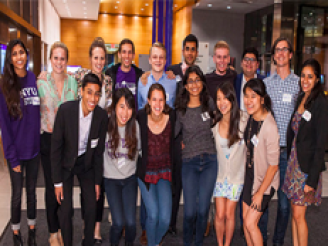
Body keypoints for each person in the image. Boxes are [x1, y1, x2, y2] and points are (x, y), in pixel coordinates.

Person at [51, 73, 108, 246]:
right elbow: (55, 149)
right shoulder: (65, 111)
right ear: (81, 91)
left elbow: (99, 152)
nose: (93, 98)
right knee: (66, 210)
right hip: (66, 163)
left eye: (97, 93)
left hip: (87, 163)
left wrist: (97, 181)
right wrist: (57, 183)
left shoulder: (101, 116)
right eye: (89, 92)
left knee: (91, 206)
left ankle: (88, 241)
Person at [282, 58, 328, 246]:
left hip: (307, 169)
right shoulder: (301, 97)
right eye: (303, 76)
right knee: (295, 213)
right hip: (294, 163)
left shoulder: (321, 103)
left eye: (310, 77)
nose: (305, 80)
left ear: (317, 79)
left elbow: (320, 143)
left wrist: (312, 179)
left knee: (300, 216)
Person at [37, 41, 78, 246]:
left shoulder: (74, 83)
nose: (59, 62)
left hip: (68, 143)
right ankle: (53, 232)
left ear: (67, 61)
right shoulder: (41, 83)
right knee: (52, 187)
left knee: (66, 188)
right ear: (50, 60)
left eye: (63, 58)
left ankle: (63, 228)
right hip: (48, 141)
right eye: (56, 58)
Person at [0, 39, 40, 246]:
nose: (19, 57)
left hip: (34, 151)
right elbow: (4, 128)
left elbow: (36, 116)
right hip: (16, 152)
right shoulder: (5, 86)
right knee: (17, 195)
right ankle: (16, 233)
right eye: (14, 54)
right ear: (10, 58)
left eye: (21, 53)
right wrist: (11, 156)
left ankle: (32, 230)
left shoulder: (33, 78)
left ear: (27, 55)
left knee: (32, 193)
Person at [175, 65, 217, 246]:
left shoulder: (210, 103)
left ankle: (198, 242)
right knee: (190, 211)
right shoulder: (180, 109)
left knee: (203, 210)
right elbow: (173, 135)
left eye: (197, 80)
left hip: (210, 161)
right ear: (185, 85)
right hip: (189, 162)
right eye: (190, 81)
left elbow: (220, 126)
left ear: (202, 82)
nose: (194, 84)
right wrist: (179, 144)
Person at [263, 37, 299, 246]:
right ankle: (263, 241)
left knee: (285, 206)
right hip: (269, 152)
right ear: (274, 56)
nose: (281, 53)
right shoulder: (266, 84)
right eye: (277, 50)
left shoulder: (298, 84)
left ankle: (277, 242)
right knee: (265, 200)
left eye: (284, 50)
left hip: (288, 153)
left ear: (290, 54)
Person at [234, 47, 268, 241]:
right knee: (244, 183)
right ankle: (245, 226)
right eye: (245, 59)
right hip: (239, 140)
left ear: (257, 64)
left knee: (259, 185)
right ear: (241, 63)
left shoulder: (264, 83)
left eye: (252, 60)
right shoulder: (235, 79)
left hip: (258, 140)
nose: (248, 63)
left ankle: (259, 228)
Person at [166, 34, 199, 235]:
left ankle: (193, 223)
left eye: (193, 49)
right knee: (175, 183)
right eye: (187, 48)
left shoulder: (199, 75)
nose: (190, 52)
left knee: (192, 183)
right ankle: (171, 223)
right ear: (182, 50)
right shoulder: (172, 71)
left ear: (196, 52)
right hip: (176, 137)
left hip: (194, 138)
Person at [137, 83, 176, 246]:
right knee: (152, 215)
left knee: (165, 219)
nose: (158, 104)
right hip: (145, 172)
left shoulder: (173, 117)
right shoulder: (140, 117)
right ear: (148, 101)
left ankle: (155, 242)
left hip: (164, 172)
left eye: (161, 100)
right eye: (154, 100)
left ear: (166, 101)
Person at [242, 78, 280, 246]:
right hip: (250, 174)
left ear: (262, 99)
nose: (248, 101)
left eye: (253, 96)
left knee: (251, 223)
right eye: (246, 96)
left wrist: (259, 193)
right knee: (245, 221)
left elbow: (274, 166)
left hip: (265, 180)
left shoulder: (270, 126)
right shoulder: (252, 117)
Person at [212, 81, 247, 246]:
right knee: (219, 214)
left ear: (232, 99)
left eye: (225, 98)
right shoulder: (214, 123)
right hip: (219, 176)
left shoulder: (243, 120)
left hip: (236, 177)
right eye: (218, 99)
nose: (222, 103)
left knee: (229, 213)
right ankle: (220, 244)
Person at [103, 88, 140, 246]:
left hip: (130, 179)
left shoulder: (135, 126)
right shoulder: (105, 126)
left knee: (131, 224)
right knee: (118, 223)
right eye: (121, 106)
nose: (125, 112)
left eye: (129, 107)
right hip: (111, 180)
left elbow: (142, 152)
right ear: (114, 107)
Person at [105, 38, 143, 108]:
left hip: (134, 117)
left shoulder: (140, 75)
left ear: (133, 55)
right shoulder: (110, 74)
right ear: (119, 54)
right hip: (116, 117)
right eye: (124, 52)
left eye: (129, 52)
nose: (127, 56)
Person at [138, 42, 177, 110]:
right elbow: (140, 108)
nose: (158, 60)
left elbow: (174, 108)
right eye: (155, 57)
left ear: (165, 61)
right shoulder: (142, 81)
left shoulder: (173, 82)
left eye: (161, 57)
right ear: (150, 60)